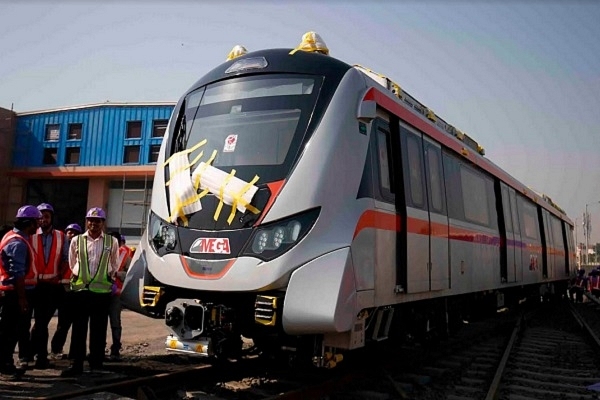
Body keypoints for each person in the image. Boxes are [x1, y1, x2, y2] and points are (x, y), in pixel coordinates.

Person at [61, 208, 119, 377]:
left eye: (97, 221)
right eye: (90, 220)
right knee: (78, 330)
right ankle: (76, 364)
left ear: (103, 223)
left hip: (101, 293)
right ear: (86, 222)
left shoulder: (111, 242)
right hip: (80, 292)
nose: (93, 224)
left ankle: (96, 363)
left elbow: (114, 264)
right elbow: (73, 263)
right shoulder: (77, 241)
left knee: (99, 330)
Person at [0, 205, 41, 380]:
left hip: (13, 292)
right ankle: (5, 364)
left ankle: (5, 362)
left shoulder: (15, 237)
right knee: (10, 331)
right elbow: (17, 272)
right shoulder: (18, 242)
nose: (38, 226)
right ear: (29, 223)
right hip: (14, 294)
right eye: (36, 222)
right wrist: (22, 298)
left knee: (11, 330)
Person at [29, 203, 69, 369]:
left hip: (51, 286)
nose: (43, 220)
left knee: (41, 322)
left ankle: (39, 356)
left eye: (46, 216)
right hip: (33, 285)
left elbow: (66, 259)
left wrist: (61, 280)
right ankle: (33, 354)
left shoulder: (61, 236)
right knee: (35, 323)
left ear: (51, 218)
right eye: (40, 217)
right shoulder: (30, 235)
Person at [50, 223, 82, 360]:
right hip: (58, 289)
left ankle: (72, 352)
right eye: (69, 232)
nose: (72, 235)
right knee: (62, 324)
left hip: (74, 290)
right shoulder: (58, 250)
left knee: (71, 323)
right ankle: (55, 349)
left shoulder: (81, 250)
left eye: (74, 233)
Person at [106, 232, 133, 361]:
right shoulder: (103, 251)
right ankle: (99, 348)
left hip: (116, 293)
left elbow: (129, 274)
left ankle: (116, 347)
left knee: (115, 322)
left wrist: (117, 274)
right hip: (102, 292)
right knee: (100, 322)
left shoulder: (126, 254)